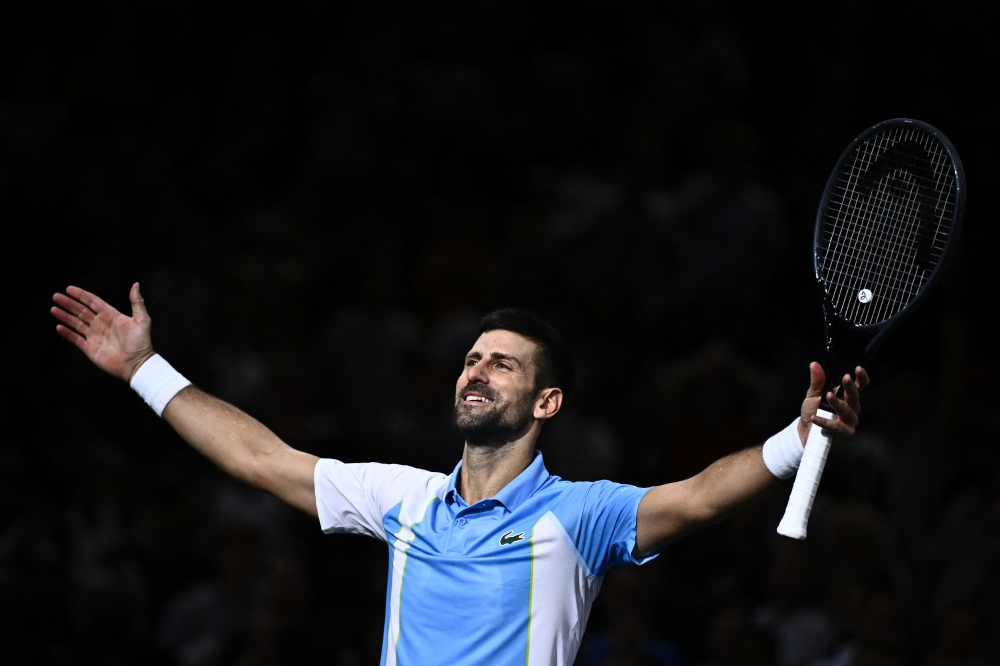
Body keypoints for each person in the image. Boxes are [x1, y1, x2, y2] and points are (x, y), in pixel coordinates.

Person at [50, 283, 869, 666]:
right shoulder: (402, 499)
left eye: (502, 366)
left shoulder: (578, 517)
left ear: (547, 402)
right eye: (472, 359)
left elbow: (695, 499)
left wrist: (794, 441)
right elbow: (258, 458)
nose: (475, 372)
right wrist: (145, 370)